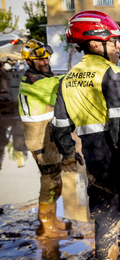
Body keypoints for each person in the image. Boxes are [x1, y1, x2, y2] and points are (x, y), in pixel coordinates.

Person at [52, 10, 120, 260]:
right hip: (119, 155)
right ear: (95, 43)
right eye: (113, 42)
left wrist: (69, 153)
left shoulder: (67, 79)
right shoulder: (113, 74)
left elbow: (60, 126)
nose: (118, 47)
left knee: (104, 216)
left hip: (93, 157)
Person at [18, 39, 71, 237]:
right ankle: (46, 225)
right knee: (49, 181)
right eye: (39, 59)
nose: (45, 61)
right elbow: (63, 85)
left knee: (55, 180)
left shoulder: (41, 77)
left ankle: (52, 220)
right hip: (40, 140)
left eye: (46, 57)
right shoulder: (35, 81)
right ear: (29, 62)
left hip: (47, 138)